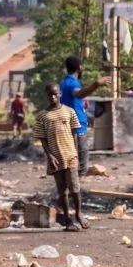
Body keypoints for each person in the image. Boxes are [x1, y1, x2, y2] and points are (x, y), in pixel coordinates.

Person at [33, 83, 87, 231]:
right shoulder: (43, 116)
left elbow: (75, 134)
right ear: (47, 95)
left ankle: (79, 213)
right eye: (50, 94)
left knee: (75, 188)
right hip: (55, 159)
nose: (53, 97)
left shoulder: (69, 112)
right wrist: (49, 156)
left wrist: (75, 153)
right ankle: (68, 220)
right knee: (62, 191)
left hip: (70, 156)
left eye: (55, 94)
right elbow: (42, 139)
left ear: (60, 94)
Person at [60, 56, 106, 175]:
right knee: (81, 154)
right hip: (76, 124)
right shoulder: (72, 83)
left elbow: (75, 98)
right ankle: (78, 185)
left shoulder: (64, 82)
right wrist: (96, 84)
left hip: (69, 122)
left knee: (74, 155)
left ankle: (73, 181)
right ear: (80, 68)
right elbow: (78, 94)